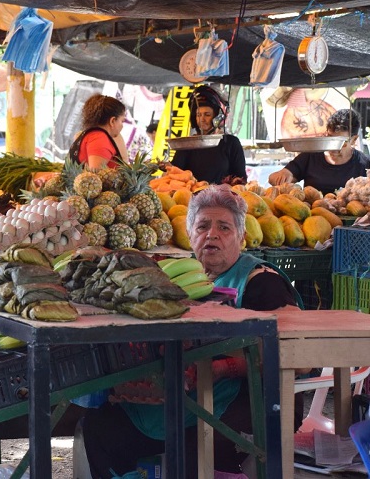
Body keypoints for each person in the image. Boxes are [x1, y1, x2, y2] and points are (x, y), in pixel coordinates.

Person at [82, 185, 303, 478]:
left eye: (224, 227)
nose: (211, 234)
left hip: (250, 400)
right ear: (190, 236)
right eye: (202, 226)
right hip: (187, 395)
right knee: (100, 427)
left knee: (188, 446)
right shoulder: (180, 278)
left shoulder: (261, 282)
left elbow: (298, 353)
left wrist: (222, 367)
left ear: (242, 237)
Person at [268, 108, 370, 195]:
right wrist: (285, 177)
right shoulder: (310, 156)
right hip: (312, 217)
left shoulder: (364, 165)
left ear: (354, 139)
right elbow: (273, 178)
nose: (334, 148)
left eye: (341, 142)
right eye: (330, 139)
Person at [169, 86, 247, 184]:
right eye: (198, 115)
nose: (202, 119)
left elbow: (241, 177)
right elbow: (176, 171)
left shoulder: (231, 143)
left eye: (207, 115)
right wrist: (167, 166)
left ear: (217, 117)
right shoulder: (188, 144)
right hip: (192, 197)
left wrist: (236, 183)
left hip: (222, 197)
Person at [68, 94, 128, 169]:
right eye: (122, 121)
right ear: (112, 121)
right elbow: (95, 175)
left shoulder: (92, 135)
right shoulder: (100, 138)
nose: (122, 125)